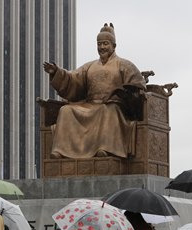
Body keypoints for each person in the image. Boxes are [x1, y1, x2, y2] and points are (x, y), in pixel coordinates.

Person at [43, 23, 146, 159]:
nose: (102, 47)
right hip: (89, 104)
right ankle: (61, 151)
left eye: (105, 44)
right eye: (99, 44)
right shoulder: (90, 66)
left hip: (114, 107)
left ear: (113, 46)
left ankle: (106, 149)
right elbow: (73, 78)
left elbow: (138, 86)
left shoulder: (125, 65)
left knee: (107, 110)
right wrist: (56, 72)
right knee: (66, 111)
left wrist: (128, 93)